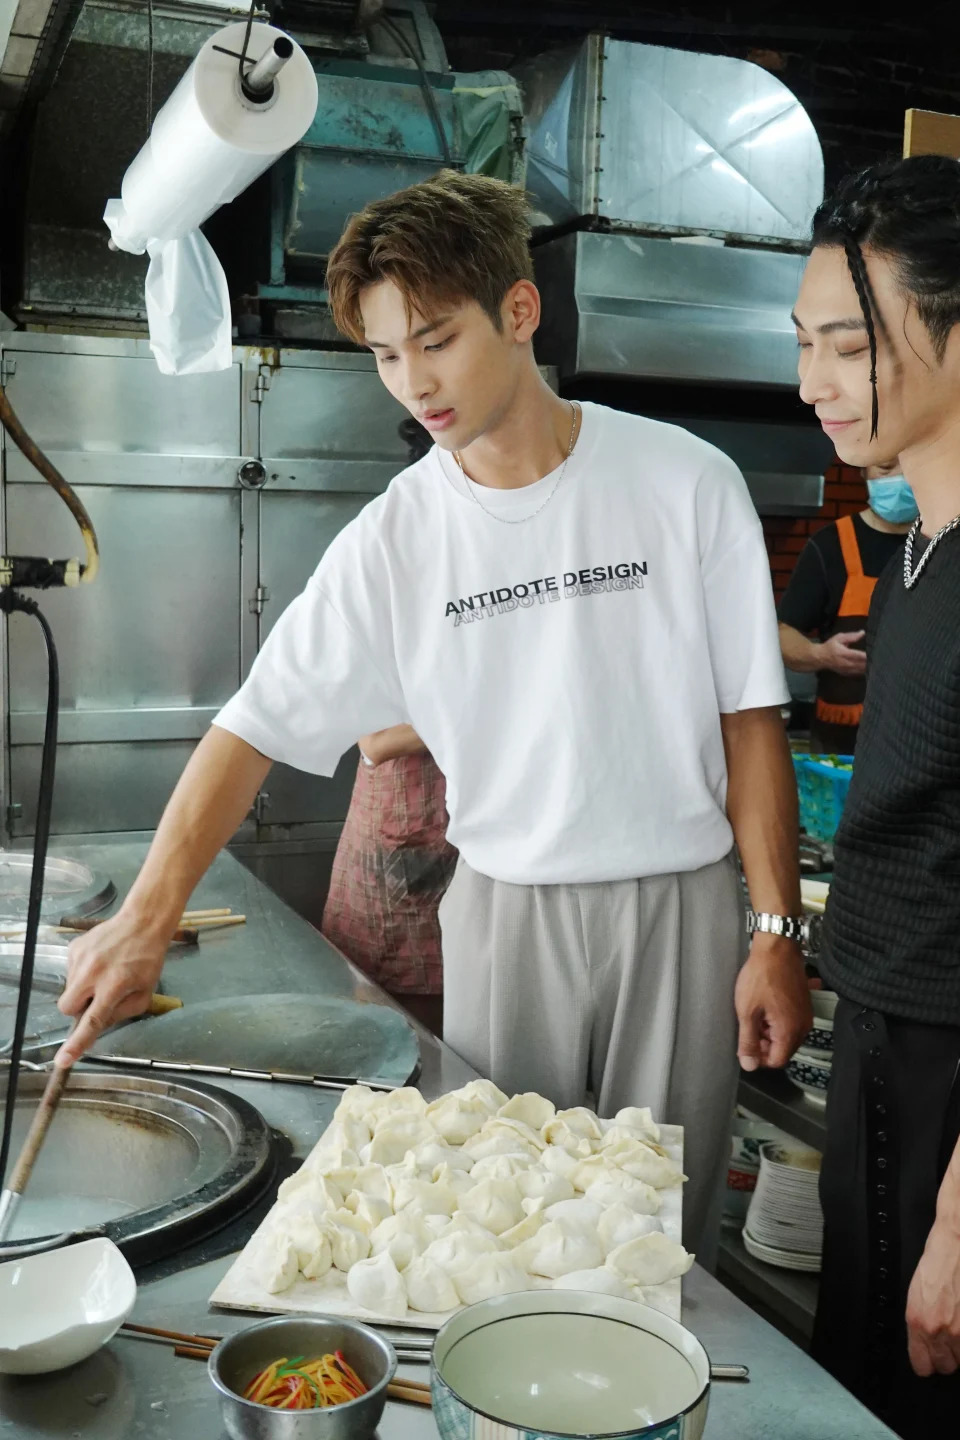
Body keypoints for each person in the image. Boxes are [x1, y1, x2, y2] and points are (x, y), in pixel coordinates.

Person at [57, 170, 811, 1256]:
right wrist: (144, 917)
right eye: (384, 353)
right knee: (508, 1226)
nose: (414, 381)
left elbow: (752, 723)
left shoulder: (685, 481)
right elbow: (254, 725)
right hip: (507, 918)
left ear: (518, 311)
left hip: (679, 914)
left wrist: (776, 930)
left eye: (436, 339)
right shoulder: (397, 537)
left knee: (657, 1239)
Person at [792, 153, 960, 1438]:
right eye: (804, 345)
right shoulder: (914, 550)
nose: (813, 384)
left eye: (850, 346)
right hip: (882, 1047)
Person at [322, 723, 456, 1037]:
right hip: (401, 827)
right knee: (396, 1017)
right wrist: (470, 712)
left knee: (437, 1015)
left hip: (439, 830)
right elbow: (374, 743)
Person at [778, 458, 915, 753]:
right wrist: (820, 655)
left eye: (911, 466)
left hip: (924, 742)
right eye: (887, 468)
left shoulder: (946, 545)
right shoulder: (831, 545)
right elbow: (782, 633)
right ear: (864, 470)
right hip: (841, 746)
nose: (900, 479)